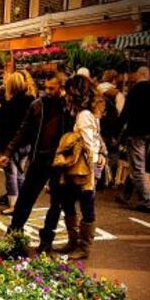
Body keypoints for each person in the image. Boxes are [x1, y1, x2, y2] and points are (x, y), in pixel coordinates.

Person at [0, 72, 73, 253]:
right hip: (40, 157)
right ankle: (14, 234)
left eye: (51, 88)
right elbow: (23, 131)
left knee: (57, 203)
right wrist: (8, 151)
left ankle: (46, 241)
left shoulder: (69, 107)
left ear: (62, 88)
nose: (47, 91)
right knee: (25, 198)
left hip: (61, 161)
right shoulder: (37, 105)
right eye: (46, 87)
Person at [58, 74, 107, 259]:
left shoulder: (84, 114)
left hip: (84, 167)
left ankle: (83, 247)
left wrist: (93, 165)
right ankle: (75, 242)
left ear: (76, 92)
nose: (66, 95)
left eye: (68, 91)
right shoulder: (88, 112)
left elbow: (89, 143)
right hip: (87, 165)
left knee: (85, 205)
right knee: (70, 202)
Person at [0, 72, 36, 215]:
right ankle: (24, 203)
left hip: (11, 145)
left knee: (11, 174)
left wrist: (1, 149)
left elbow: (3, 127)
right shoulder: (32, 100)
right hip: (27, 143)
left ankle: (13, 205)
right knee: (21, 173)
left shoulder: (10, 105)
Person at [115, 66, 150, 213]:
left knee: (138, 167)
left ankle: (146, 202)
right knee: (136, 164)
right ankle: (125, 195)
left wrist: (117, 131)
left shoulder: (135, 90)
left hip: (136, 132)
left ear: (139, 75)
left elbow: (126, 112)